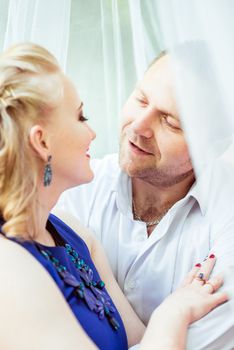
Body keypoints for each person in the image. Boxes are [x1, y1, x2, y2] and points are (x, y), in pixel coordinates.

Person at [0, 42, 229, 350]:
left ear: (208, 146)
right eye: (81, 117)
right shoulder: (10, 263)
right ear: (41, 142)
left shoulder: (76, 236)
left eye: (170, 122)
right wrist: (173, 313)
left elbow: (141, 341)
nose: (136, 126)